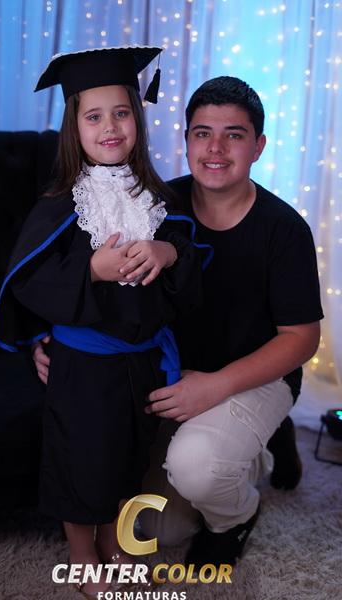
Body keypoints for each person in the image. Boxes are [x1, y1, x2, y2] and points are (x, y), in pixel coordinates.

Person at [32, 75, 323, 569]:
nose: (215, 149)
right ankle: (254, 441)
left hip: (249, 376)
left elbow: (302, 338)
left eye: (234, 135)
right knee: (158, 527)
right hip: (166, 378)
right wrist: (50, 335)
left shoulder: (284, 228)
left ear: (258, 146)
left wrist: (215, 386)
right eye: (202, 133)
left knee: (200, 471)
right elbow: (95, 279)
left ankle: (239, 513)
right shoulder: (152, 203)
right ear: (186, 140)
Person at [0, 46, 209, 598]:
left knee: (130, 460)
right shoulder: (62, 203)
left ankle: (115, 545)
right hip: (84, 366)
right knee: (81, 463)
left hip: (143, 362)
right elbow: (27, 278)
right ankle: (82, 554)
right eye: (94, 116)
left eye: (121, 112)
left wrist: (167, 253)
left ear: (138, 118)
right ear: (75, 127)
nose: (110, 126)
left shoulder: (158, 199)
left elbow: (188, 269)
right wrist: (91, 268)